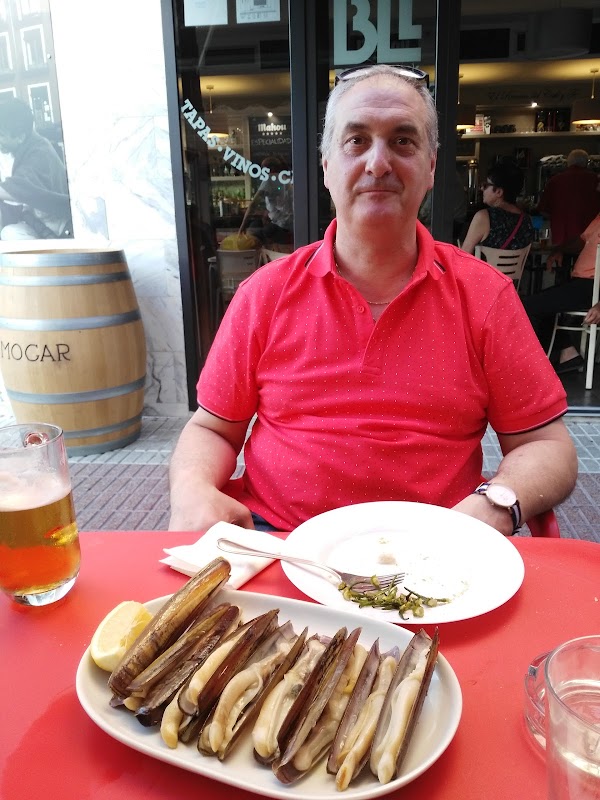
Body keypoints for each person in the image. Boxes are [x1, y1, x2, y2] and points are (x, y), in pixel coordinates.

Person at [169, 64, 577, 539]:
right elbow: (212, 429)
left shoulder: (484, 296)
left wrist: (497, 504)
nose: (378, 163)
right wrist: (191, 488)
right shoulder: (264, 294)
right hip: (280, 539)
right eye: (356, 140)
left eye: (402, 141)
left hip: (437, 548)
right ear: (326, 167)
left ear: (430, 167)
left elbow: (548, 445)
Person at [522, 213, 600, 374]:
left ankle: (533, 369)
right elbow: (582, 241)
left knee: (529, 306)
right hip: (581, 283)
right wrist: (560, 250)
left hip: (592, 286)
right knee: (539, 304)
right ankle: (567, 353)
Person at [0, 97, 71, 240]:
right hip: (37, 221)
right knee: (9, 233)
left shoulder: (40, 152)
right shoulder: (24, 146)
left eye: (1, 135)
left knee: (11, 236)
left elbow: (16, 191)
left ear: (20, 137)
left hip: (59, 225)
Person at [460, 161, 534, 255]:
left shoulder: (484, 217)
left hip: (486, 265)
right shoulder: (527, 220)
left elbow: (463, 256)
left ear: (499, 192)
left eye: (486, 185)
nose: (482, 188)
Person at [536, 149, 600, 249]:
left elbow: (543, 210)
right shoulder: (596, 180)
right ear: (586, 163)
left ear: (568, 163)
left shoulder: (554, 181)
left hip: (561, 238)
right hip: (590, 239)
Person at [239, 155, 293, 247]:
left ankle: (266, 253)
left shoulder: (270, 179)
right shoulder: (285, 179)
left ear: (270, 169)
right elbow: (283, 203)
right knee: (256, 225)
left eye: (263, 169)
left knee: (250, 232)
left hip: (280, 226)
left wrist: (242, 227)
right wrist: (267, 213)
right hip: (290, 225)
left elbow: (253, 205)